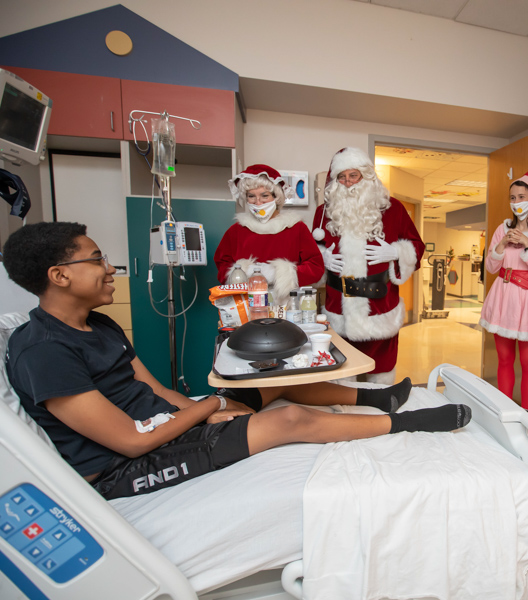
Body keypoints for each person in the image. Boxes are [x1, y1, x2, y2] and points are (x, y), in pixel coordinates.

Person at [3, 222, 471, 500]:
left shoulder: (98, 325)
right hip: (120, 469)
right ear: (60, 275)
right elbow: (127, 441)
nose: (109, 268)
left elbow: (153, 390)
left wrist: (202, 406)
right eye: (97, 259)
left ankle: (380, 397)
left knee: (268, 381)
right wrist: (207, 410)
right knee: (287, 418)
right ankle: (414, 425)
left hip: (163, 426)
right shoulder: (44, 351)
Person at [312, 148, 425, 384]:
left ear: (366, 176)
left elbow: (417, 245)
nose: (347, 183)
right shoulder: (324, 212)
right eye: (341, 177)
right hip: (338, 306)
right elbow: (311, 250)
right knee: (342, 372)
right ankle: (346, 415)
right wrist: (323, 257)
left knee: (380, 373)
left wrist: (395, 252)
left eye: (353, 175)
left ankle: (380, 413)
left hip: (380, 306)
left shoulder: (392, 208)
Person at [479, 163, 528, 412]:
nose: (516, 202)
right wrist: (501, 246)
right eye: (513, 197)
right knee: (503, 359)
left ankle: (526, 414)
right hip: (503, 295)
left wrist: (527, 244)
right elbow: (490, 268)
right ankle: (504, 413)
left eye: (522, 197)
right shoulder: (503, 228)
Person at [214, 164, 324, 306]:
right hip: (245, 307)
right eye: (251, 196)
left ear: (276, 197)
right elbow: (222, 265)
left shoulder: (296, 228)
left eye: (264, 195)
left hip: (287, 308)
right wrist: (243, 272)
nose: (258, 202)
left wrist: (280, 273)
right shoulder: (236, 231)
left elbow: (316, 267)